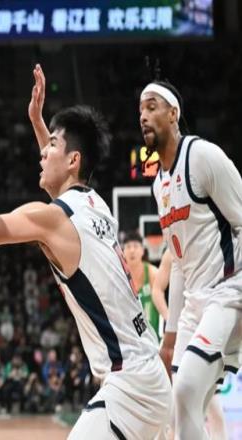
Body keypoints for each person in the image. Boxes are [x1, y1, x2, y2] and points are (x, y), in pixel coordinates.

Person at [0, 64, 171, 439]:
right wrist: (38, 123)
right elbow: (63, 182)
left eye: (51, 146)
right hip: (149, 373)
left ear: (73, 159)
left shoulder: (53, 219)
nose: (42, 154)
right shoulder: (97, 205)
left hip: (130, 385)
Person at [140, 79, 242, 439]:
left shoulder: (203, 156)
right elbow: (180, 263)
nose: (143, 116)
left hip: (228, 293)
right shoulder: (159, 186)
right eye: (140, 110)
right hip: (195, 303)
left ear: (174, 113)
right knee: (179, 407)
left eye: (152, 107)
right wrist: (170, 337)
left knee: (186, 391)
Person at [152, 249, 228, 439]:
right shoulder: (172, 251)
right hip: (183, 332)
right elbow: (157, 289)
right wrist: (169, 321)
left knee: (210, 411)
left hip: (209, 328)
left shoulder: (216, 245)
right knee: (180, 413)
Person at [122, 231, 160, 339]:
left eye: (135, 246)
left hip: (152, 337)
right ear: (123, 252)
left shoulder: (153, 273)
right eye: (128, 247)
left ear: (143, 250)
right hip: (129, 337)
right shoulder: (119, 275)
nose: (132, 250)